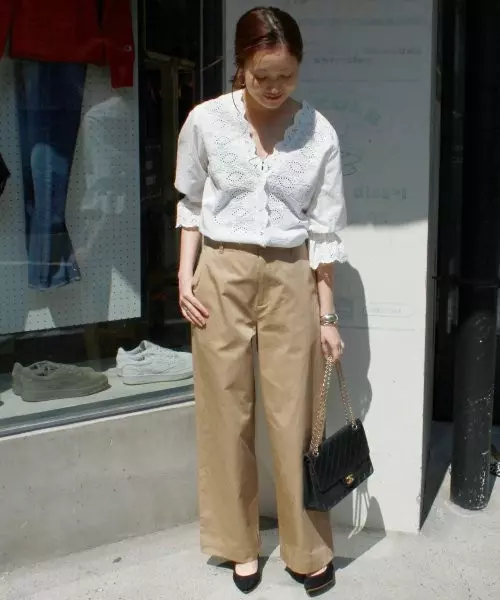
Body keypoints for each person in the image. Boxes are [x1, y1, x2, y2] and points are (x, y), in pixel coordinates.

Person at [175, 6, 347, 596]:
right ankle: (237, 543)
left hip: (290, 274)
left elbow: (324, 232)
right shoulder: (205, 122)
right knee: (225, 413)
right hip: (221, 270)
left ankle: (306, 548)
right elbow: (191, 203)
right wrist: (185, 275)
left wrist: (328, 313)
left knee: (296, 418)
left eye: (286, 76)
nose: (274, 88)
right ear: (240, 65)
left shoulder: (319, 132)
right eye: (262, 76)